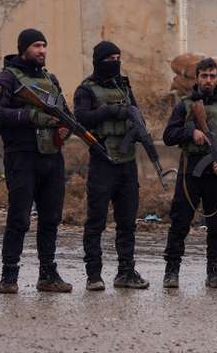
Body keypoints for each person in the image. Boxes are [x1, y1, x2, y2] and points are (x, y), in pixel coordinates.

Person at [0, 28, 73, 294]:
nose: (42, 51)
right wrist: (31, 117)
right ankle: (9, 275)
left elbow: (66, 115)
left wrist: (65, 130)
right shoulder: (7, 78)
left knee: (50, 218)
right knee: (19, 217)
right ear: (24, 48)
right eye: (37, 45)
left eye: (44, 45)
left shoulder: (51, 79)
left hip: (51, 157)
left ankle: (47, 274)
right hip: (22, 155)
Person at [75, 40, 149, 291]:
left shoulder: (124, 87)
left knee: (127, 221)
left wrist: (140, 130)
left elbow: (136, 113)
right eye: (110, 59)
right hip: (103, 160)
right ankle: (93, 274)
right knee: (96, 221)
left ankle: (126, 271)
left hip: (127, 161)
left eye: (118, 57)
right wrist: (109, 112)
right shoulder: (86, 89)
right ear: (99, 61)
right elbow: (81, 119)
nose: (115, 63)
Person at [161, 57, 217, 289]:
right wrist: (190, 132)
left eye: (212, 76)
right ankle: (171, 271)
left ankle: (214, 272)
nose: (208, 80)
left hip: (214, 172)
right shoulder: (184, 105)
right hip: (190, 171)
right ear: (197, 78)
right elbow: (168, 136)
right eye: (204, 76)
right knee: (180, 221)